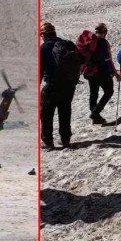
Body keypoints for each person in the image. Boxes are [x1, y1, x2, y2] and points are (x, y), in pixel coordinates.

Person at [40, 21, 80, 149]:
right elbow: (81, 60)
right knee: (65, 112)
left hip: (52, 85)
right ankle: (66, 140)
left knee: (47, 114)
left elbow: (39, 71)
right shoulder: (68, 44)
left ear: (43, 35)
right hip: (69, 85)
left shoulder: (44, 48)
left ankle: (48, 141)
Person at [85, 23, 121, 124]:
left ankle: (95, 117)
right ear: (105, 32)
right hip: (102, 73)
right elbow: (108, 60)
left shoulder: (89, 42)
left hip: (90, 72)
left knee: (93, 93)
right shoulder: (104, 43)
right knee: (109, 92)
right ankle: (95, 113)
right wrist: (115, 73)